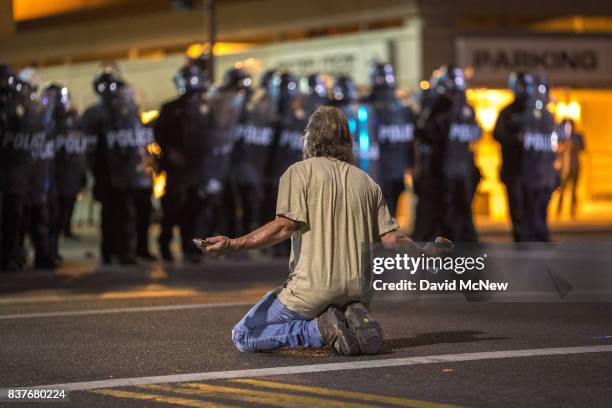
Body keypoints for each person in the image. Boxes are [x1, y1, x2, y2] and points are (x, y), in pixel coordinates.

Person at [199, 106, 448, 355]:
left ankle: (319, 329)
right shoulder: (367, 181)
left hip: (311, 290)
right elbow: (392, 239)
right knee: (339, 302)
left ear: (310, 137)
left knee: (243, 335)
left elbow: (284, 227)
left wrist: (232, 245)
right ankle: (349, 314)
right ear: (346, 141)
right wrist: (425, 253)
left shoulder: (298, 173)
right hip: (359, 289)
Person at [82, 69, 154, 264]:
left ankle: (126, 251)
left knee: (126, 214)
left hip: (127, 172)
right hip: (106, 173)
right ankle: (112, 252)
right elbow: (88, 148)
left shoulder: (127, 112)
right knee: (112, 216)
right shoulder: (94, 114)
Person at [420, 66, 481, 242]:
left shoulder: (438, 109)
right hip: (463, 169)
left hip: (443, 170)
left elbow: (426, 133)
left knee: (442, 213)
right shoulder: (468, 110)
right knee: (464, 211)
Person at [362, 62, 416, 218]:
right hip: (396, 171)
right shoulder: (403, 108)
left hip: (373, 171)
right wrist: (411, 164)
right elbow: (411, 142)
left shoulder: (366, 106)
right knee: (389, 216)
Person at [493, 72, 535, 242]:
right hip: (513, 167)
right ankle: (520, 236)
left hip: (532, 168)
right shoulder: (507, 112)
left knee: (531, 203)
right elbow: (497, 134)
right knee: (516, 204)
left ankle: (531, 234)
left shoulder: (535, 111)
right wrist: (514, 138)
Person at [0, 64, 34, 272]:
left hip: (13, 174)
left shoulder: (16, 107)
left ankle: (12, 254)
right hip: (8, 172)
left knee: (15, 217)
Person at [556, 118, 584, 219]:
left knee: (574, 189)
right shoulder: (561, 137)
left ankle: (573, 210)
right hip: (564, 167)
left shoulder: (577, 136)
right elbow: (556, 150)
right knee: (562, 189)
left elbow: (583, 148)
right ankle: (559, 210)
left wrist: (573, 144)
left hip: (575, 165)